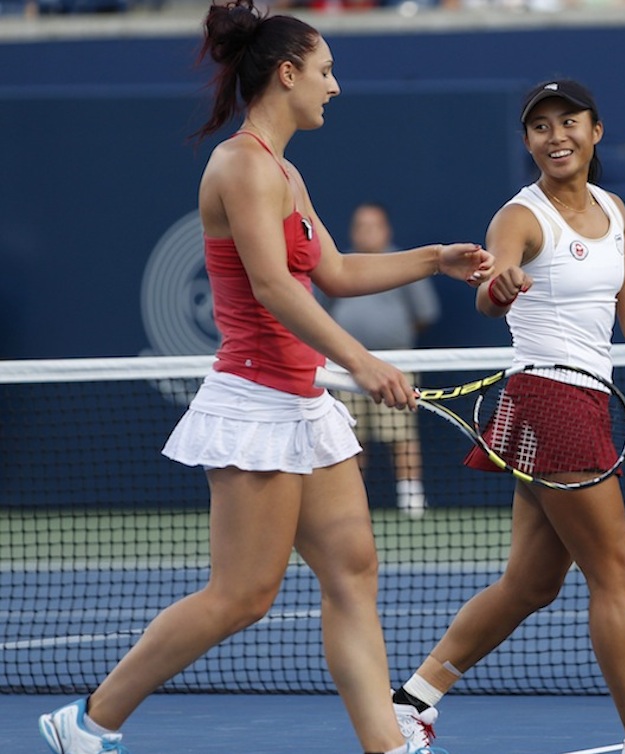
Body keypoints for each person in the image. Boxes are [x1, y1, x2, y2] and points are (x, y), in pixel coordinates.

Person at [36, 3, 492, 753]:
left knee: (353, 571)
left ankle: (387, 743)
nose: (334, 87)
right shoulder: (240, 165)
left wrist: (433, 258)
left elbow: (335, 272)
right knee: (243, 596)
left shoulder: (286, 171)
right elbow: (277, 289)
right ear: (287, 74)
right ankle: (87, 722)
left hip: (304, 405)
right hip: (253, 404)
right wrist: (363, 362)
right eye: (325, 71)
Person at [389, 79, 625, 754]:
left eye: (570, 121)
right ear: (528, 141)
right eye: (541, 126)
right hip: (547, 398)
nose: (556, 134)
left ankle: (410, 702)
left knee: (532, 583)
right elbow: (491, 287)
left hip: (585, 398)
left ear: (596, 131)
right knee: (616, 572)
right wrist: (498, 289)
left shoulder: (615, 210)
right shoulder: (520, 216)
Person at [330, 202, 441, 518]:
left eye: (373, 225)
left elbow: (424, 315)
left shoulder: (405, 264)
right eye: (360, 226)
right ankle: (350, 504)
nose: (366, 232)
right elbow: (320, 310)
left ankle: (411, 499)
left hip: (395, 366)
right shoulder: (338, 265)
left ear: (385, 230)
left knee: (401, 434)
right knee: (349, 440)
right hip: (345, 368)